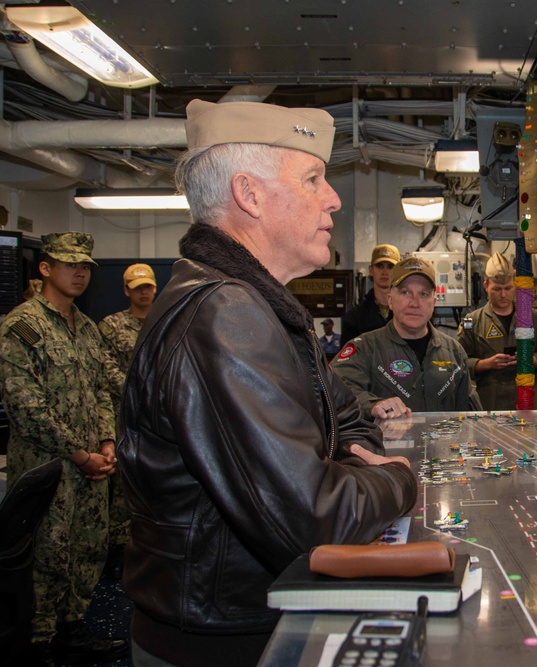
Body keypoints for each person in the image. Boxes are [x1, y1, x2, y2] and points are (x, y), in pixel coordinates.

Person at [116, 99, 418, 667]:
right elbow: (317, 520)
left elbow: (349, 421)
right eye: (312, 180)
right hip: (222, 643)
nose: (333, 198)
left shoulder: (257, 306)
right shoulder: (223, 314)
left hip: (244, 620)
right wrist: (398, 481)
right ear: (249, 195)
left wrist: (340, 468)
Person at [0, 232, 128, 667]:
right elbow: (25, 406)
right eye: (69, 264)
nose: (79, 272)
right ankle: (36, 642)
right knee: (46, 555)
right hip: (48, 467)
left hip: (91, 467)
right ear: (45, 268)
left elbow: (100, 391)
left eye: (85, 266)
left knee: (87, 549)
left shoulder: (87, 329)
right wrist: (80, 453)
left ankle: (71, 628)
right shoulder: (23, 326)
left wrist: (107, 442)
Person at [333, 255, 481, 419]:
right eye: (405, 292)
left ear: (434, 301)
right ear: (390, 300)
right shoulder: (364, 349)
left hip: (443, 444)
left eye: (423, 294)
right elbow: (334, 390)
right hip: (385, 444)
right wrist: (372, 404)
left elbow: (469, 413)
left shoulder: (454, 351)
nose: (415, 303)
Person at [98, 262, 158, 580]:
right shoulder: (110, 326)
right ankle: (119, 552)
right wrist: (140, 394)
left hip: (159, 422)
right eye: (138, 288)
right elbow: (105, 371)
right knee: (122, 489)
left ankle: (151, 549)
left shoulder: (165, 321)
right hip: (124, 417)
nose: (144, 292)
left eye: (148, 286)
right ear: (126, 291)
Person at [458, 252, 537, 410]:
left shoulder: (532, 317)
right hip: (488, 407)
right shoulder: (471, 321)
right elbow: (459, 363)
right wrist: (486, 364)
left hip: (526, 404)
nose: (503, 295)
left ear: (515, 285)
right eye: (497, 289)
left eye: (508, 288)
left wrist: (529, 360)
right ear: (486, 286)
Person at [341, 244, 399, 344]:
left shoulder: (407, 313)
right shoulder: (354, 317)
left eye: (390, 267)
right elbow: (347, 358)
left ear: (398, 271)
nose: (384, 272)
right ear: (371, 270)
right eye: (379, 266)